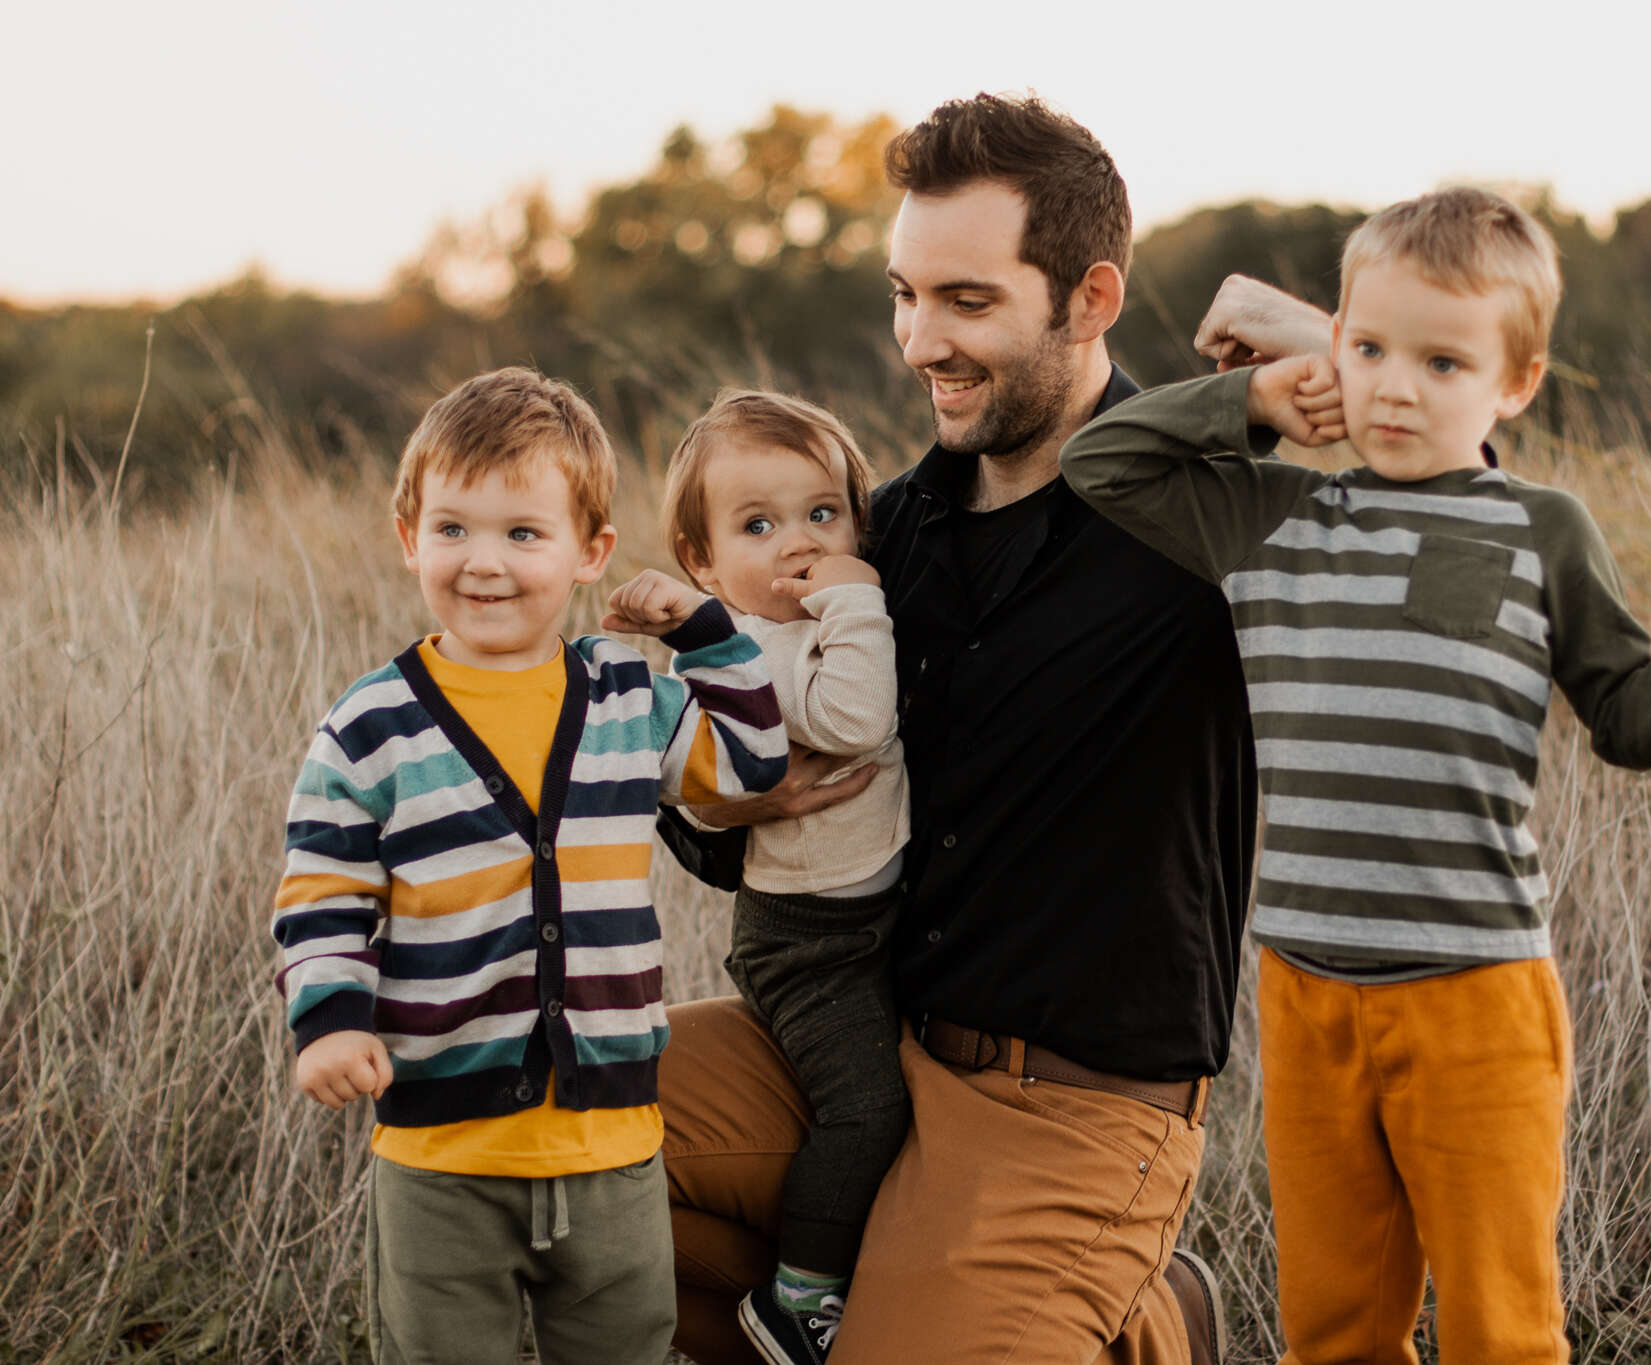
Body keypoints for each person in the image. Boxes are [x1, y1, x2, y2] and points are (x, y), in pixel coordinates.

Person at [1062, 187, 1651, 1364]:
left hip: (1474, 995)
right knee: (1332, 1325)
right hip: (1304, 989)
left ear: (1512, 385)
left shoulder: (1539, 530)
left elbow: (1627, 726)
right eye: (1366, 349)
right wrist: (1254, 396)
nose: (1391, 387)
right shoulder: (1272, 520)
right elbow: (1097, 461)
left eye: (1441, 362)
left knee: (1499, 1324)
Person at [651, 94, 1251, 1365]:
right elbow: (739, 796)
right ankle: (942, 1308)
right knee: (521, 1143)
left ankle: (1142, 1325)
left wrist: (1322, 344)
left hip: (1073, 1114)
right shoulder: (887, 534)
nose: (919, 341)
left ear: (1089, 299)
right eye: (902, 295)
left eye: (965, 302)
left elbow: (1448, 510)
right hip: (860, 1049)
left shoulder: (1203, 519)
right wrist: (719, 797)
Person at [269, 367, 788, 1364]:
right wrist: (328, 1023)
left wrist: (699, 627)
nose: (484, 563)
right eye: (453, 529)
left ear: (589, 552)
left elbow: (749, 757)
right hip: (439, 1159)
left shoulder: (626, 697)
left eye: (523, 533)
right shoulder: (370, 727)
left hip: (613, 1150)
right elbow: (320, 892)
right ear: (408, 536)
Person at [603, 389, 911, 1364]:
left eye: (823, 515)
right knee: (869, 1112)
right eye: (757, 525)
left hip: (870, 921)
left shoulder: (821, 619)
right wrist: (857, 594)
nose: (797, 545)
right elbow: (853, 720)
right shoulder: (751, 656)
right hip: (810, 946)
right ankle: (800, 1298)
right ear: (703, 565)